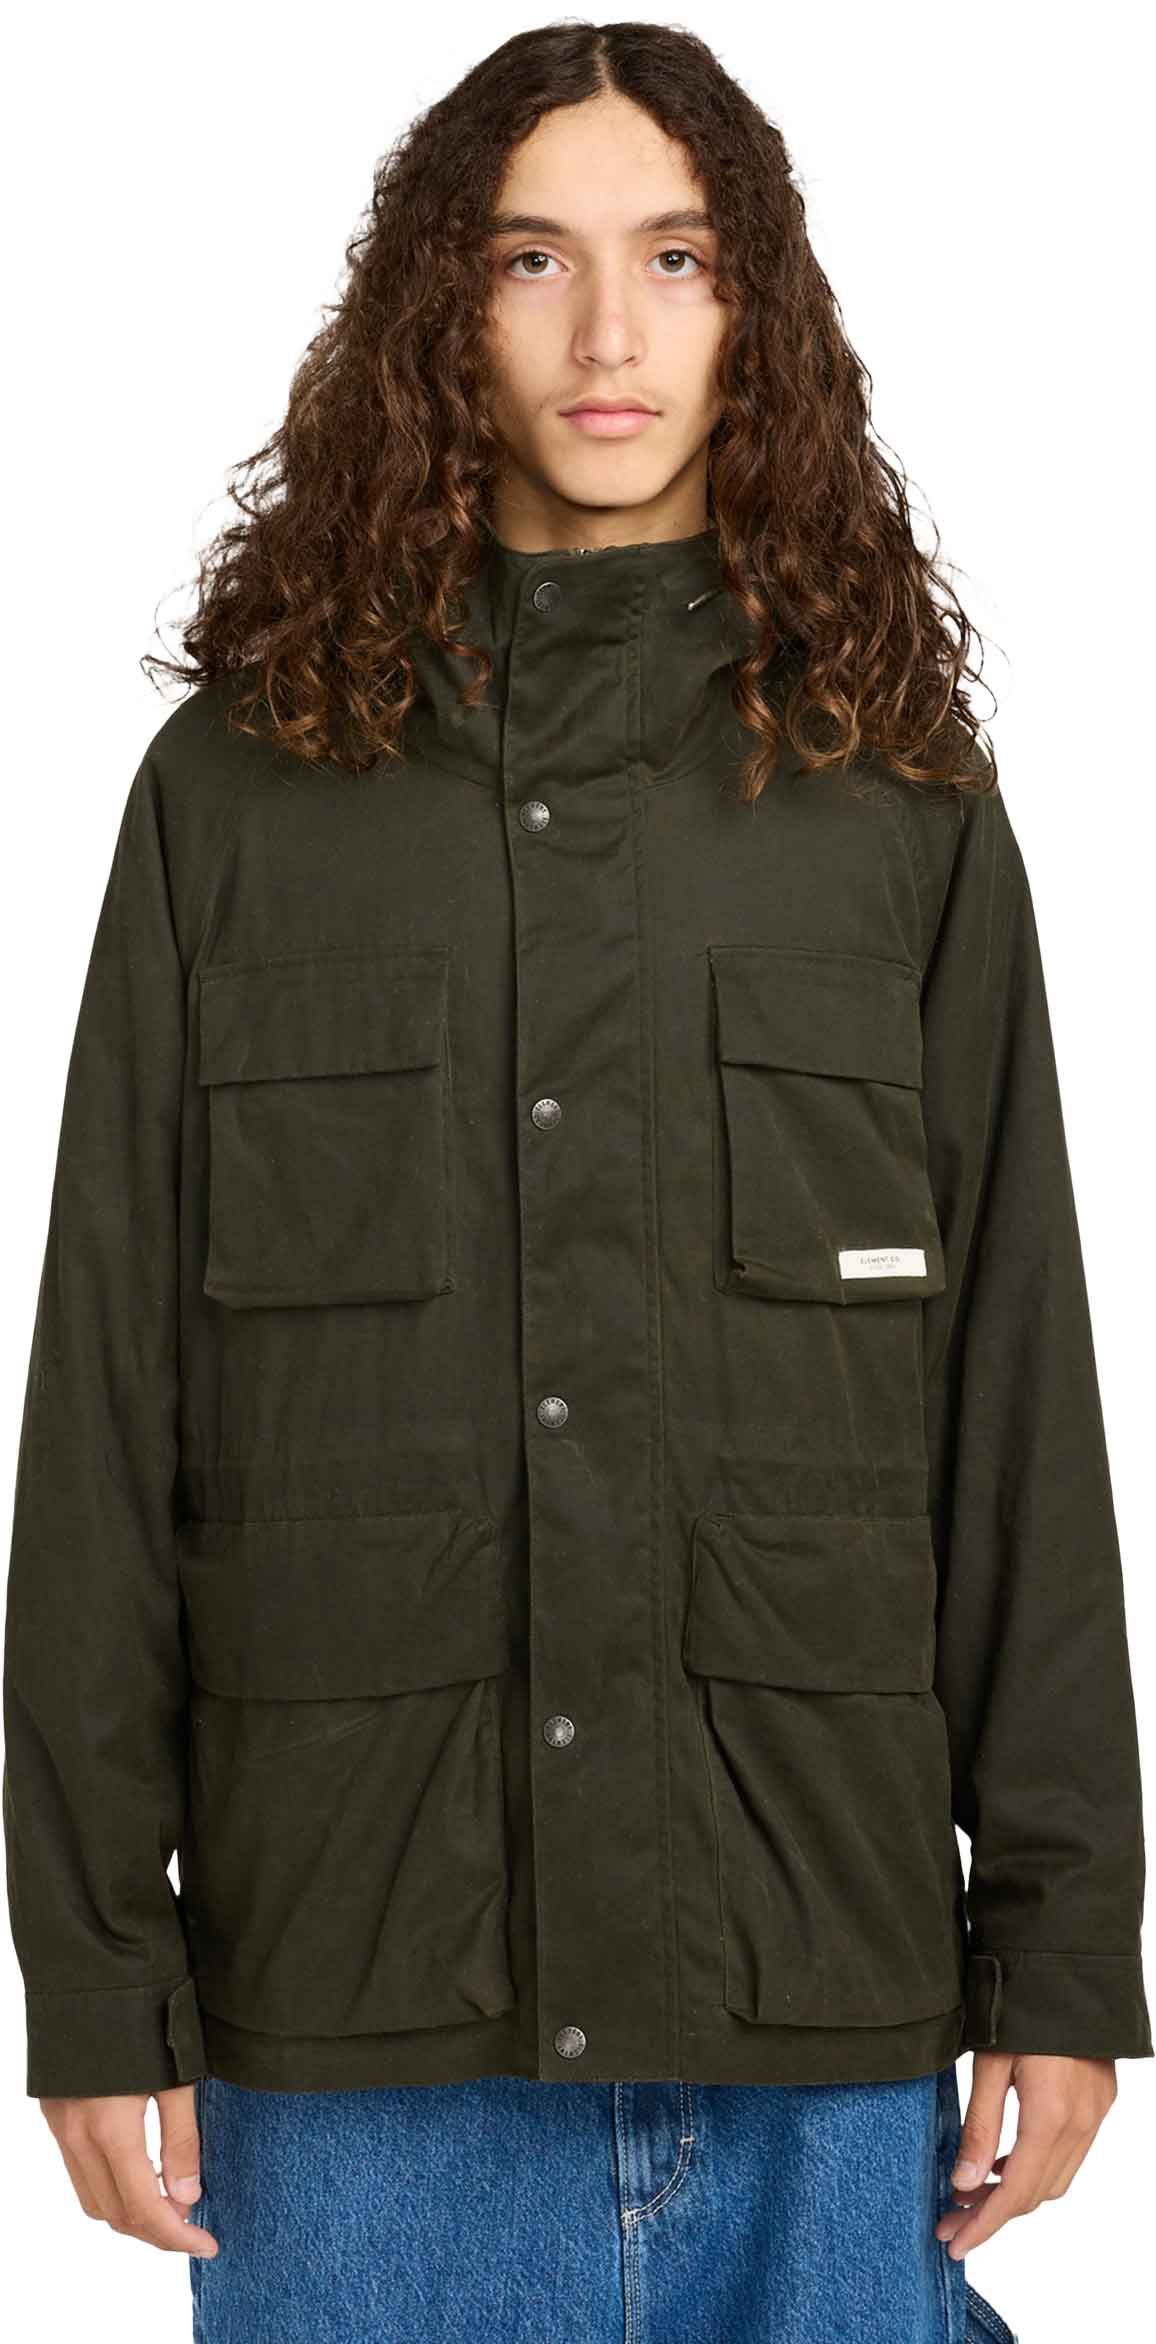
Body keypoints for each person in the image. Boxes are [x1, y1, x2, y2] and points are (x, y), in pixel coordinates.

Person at [2, 21, 1150, 2344]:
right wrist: (93, 1971)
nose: (606, 331)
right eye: (532, 258)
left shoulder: (889, 796)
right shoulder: (235, 796)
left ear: (757, 310)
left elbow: (1012, 1394)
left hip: (809, 1980)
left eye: (676, 259)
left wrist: (1064, 1946)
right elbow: (107, 1409)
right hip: (351, 2025)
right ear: (438, 303)